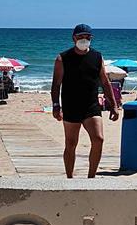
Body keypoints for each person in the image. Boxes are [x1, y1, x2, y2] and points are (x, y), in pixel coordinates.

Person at [51, 24, 119, 179]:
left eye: (87, 37)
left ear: (91, 38)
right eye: (80, 36)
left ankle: (91, 177)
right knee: (71, 143)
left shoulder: (97, 57)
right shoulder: (63, 58)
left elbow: (105, 82)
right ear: (73, 38)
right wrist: (56, 106)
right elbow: (56, 84)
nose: (83, 39)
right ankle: (69, 178)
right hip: (71, 105)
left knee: (98, 139)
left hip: (92, 106)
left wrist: (114, 105)